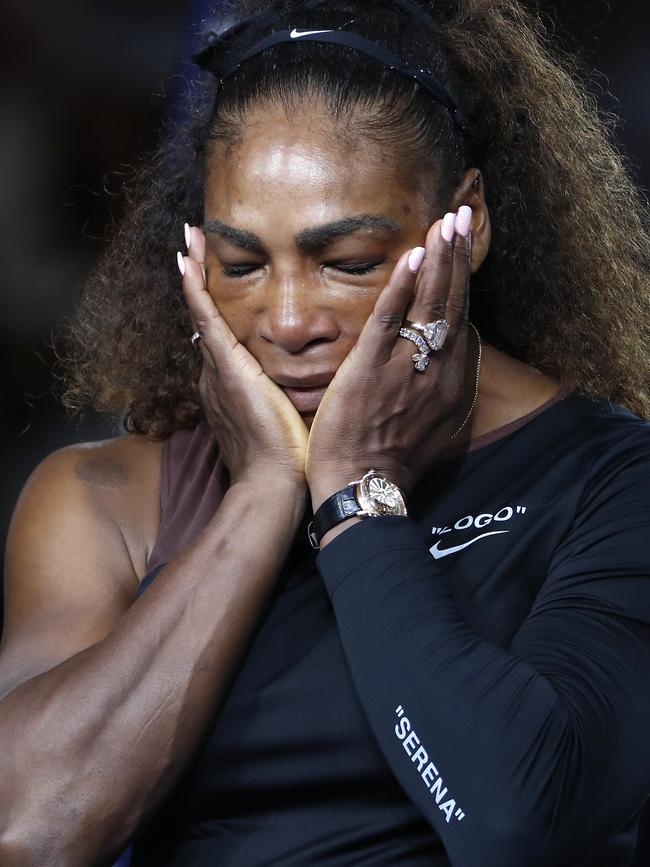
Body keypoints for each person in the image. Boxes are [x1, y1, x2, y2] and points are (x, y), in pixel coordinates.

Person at [1, 0, 649, 864]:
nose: (288, 317)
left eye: (346, 263)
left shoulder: (610, 479)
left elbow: (514, 825)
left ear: (469, 221)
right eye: (241, 264)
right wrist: (265, 491)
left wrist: (353, 497)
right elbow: (30, 833)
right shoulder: (105, 502)